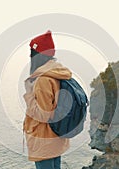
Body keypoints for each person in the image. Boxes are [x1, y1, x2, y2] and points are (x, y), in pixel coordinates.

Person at [23, 30, 71, 169]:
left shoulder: (43, 79)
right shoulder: (57, 72)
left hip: (44, 139)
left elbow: (43, 115)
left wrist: (29, 95)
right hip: (55, 137)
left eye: (32, 53)